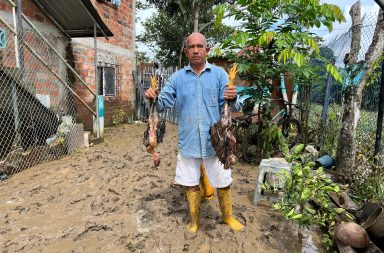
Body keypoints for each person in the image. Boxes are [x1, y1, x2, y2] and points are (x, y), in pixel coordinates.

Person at [145, 32, 244, 239]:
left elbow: (238, 102)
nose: (196, 50)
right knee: (190, 183)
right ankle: (194, 221)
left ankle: (227, 217)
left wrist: (233, 97)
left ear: (207, 50)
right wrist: (152, 97)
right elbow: (163, 104)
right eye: (192, 47)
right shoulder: (177, 78)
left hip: (215, 143)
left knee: (223, 180)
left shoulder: (219, 75)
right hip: (188, 140)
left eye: (200, 46)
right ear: (186, 51)